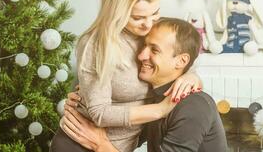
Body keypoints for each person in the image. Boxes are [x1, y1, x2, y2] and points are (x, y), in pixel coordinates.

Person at [50, 0, 202, 152]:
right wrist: (159, 110)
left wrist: (191, 76)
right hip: (82, 143)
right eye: (138, 17)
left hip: (115, 146)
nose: (149, 24)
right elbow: (100, 113)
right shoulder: (97, 44)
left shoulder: (158, 28)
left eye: (154, 12)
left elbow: (182, 56)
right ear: (117, 12)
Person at [62, 18, 228, 152]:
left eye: (154, 50)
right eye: (143, 46)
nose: (141, 56)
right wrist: (85, 99)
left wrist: (101, 145)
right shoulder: (155, 100)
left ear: (181, 61)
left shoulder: (192, 105)